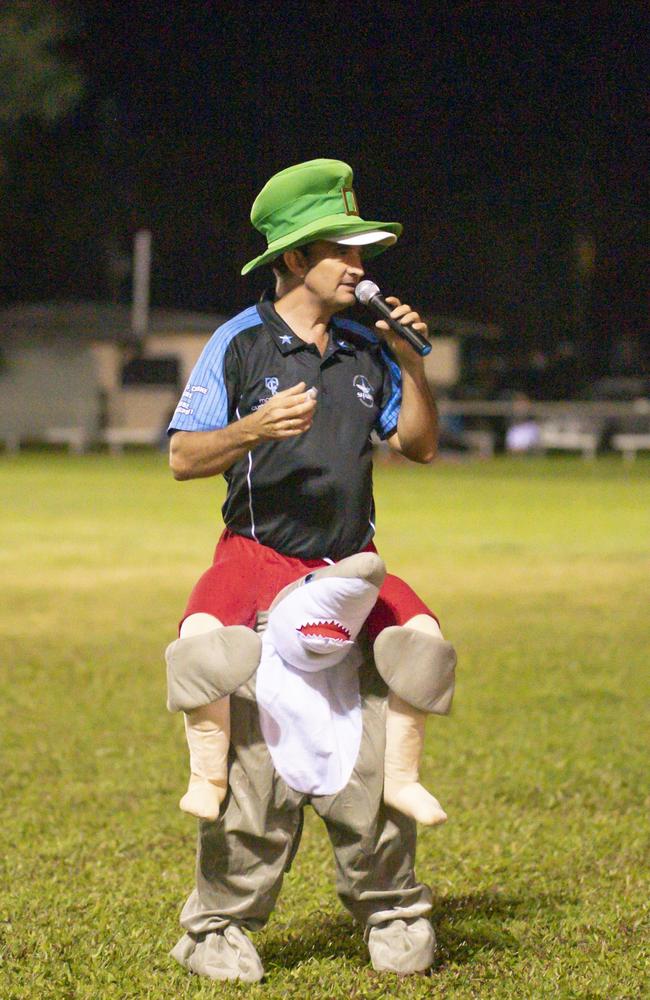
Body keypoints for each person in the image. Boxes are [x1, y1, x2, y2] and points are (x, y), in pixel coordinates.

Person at [166, 159, 456, 981]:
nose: (360, 267)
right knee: (261, 765)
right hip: (260, 576)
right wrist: (254, 427)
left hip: (349, 581)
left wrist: (414, 362)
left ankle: (393, 907)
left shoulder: (369, 350)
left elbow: (422, 447)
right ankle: (214, 925)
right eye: (342, 251)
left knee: (365, 752)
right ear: (293, 258)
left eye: (361, 251)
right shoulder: (240, 342)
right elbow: (184, 457)